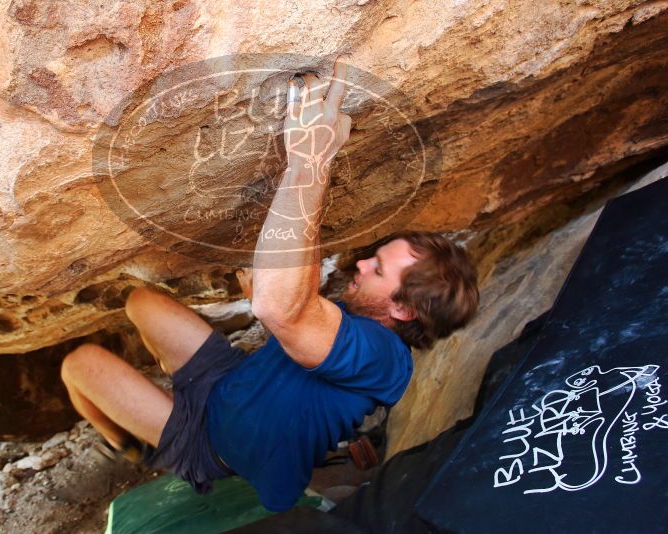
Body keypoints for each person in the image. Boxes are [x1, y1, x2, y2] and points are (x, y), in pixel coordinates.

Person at [60, 58, 479, 512]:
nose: (360, 265)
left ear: (404, 310)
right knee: (142, 302)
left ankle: (134, 448)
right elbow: (295, 306)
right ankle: (147, 415)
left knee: (79, 365)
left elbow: (280, 310)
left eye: (376, 270)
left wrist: (309, 161)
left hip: (215, 444)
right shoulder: (360, 316)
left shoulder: (385, 360)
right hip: (229, 381)